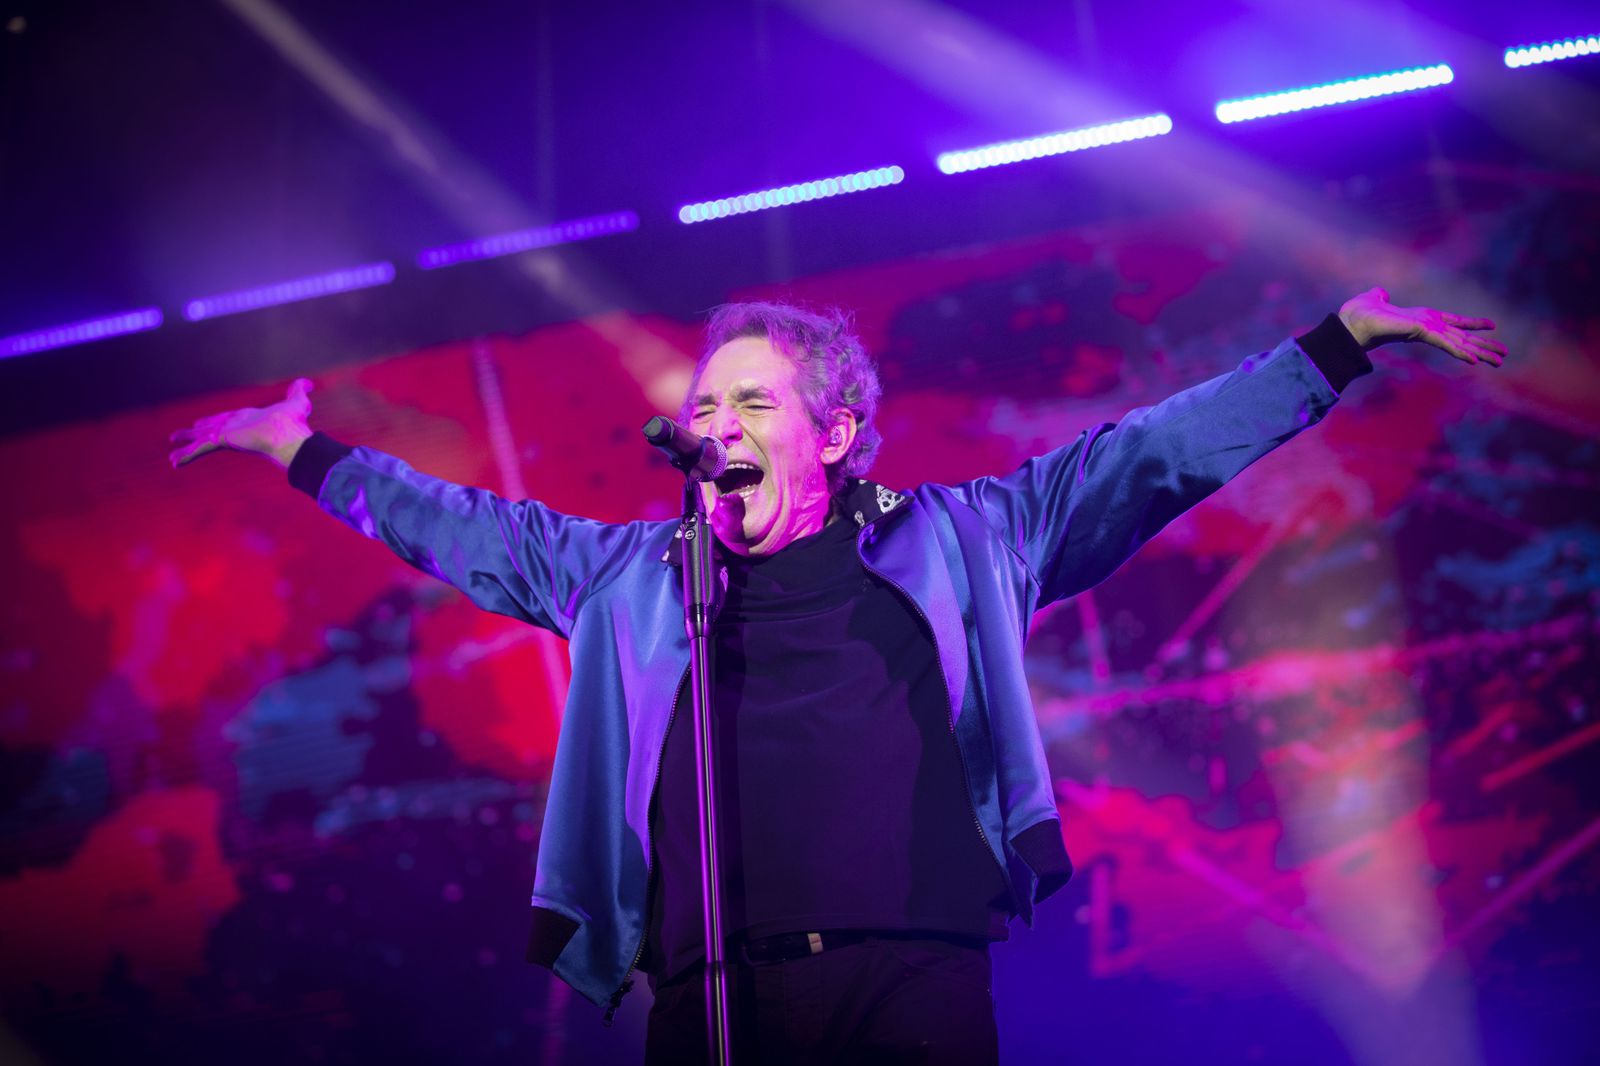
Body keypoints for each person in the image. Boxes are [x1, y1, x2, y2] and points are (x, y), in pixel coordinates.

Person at [170, 288, 1505, 1064]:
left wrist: (1337, 344)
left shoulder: (971, 536)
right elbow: (465, 531)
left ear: (840, 431)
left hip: (907, 988)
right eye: (703, 407)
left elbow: (1153, 456)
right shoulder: (629, 580)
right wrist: (307, 454)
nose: (715, 425)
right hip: (709, 1002)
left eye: (752, 403)